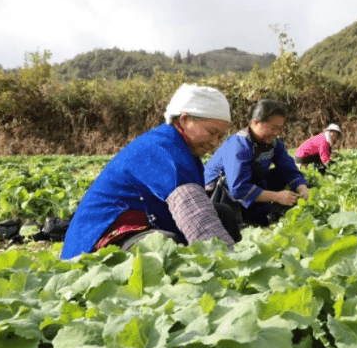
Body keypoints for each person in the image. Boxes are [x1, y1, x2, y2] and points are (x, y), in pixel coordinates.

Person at [61, 84, 242, 259]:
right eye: (212, 132)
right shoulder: (162, 148)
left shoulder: (181, 147)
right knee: (162, 247)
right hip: (100, 239)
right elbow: (194, 213)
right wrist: (228, 263)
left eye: (220, 136)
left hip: (145, 219)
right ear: (185, 119)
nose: (215, 142)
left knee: (222, 213)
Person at [204, 99, 309, 227]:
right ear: (255, 123)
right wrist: (276, 196)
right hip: (219, 194)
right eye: (274, 128)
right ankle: (246, 218)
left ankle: (260, 213)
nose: (277, 133)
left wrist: (302, 188)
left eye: (280, 129)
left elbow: (289, 169)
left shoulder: (274, 143)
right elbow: (238, 189)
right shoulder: (239, 144)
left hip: (246, 186)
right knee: (256, 173)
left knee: (279, 174)